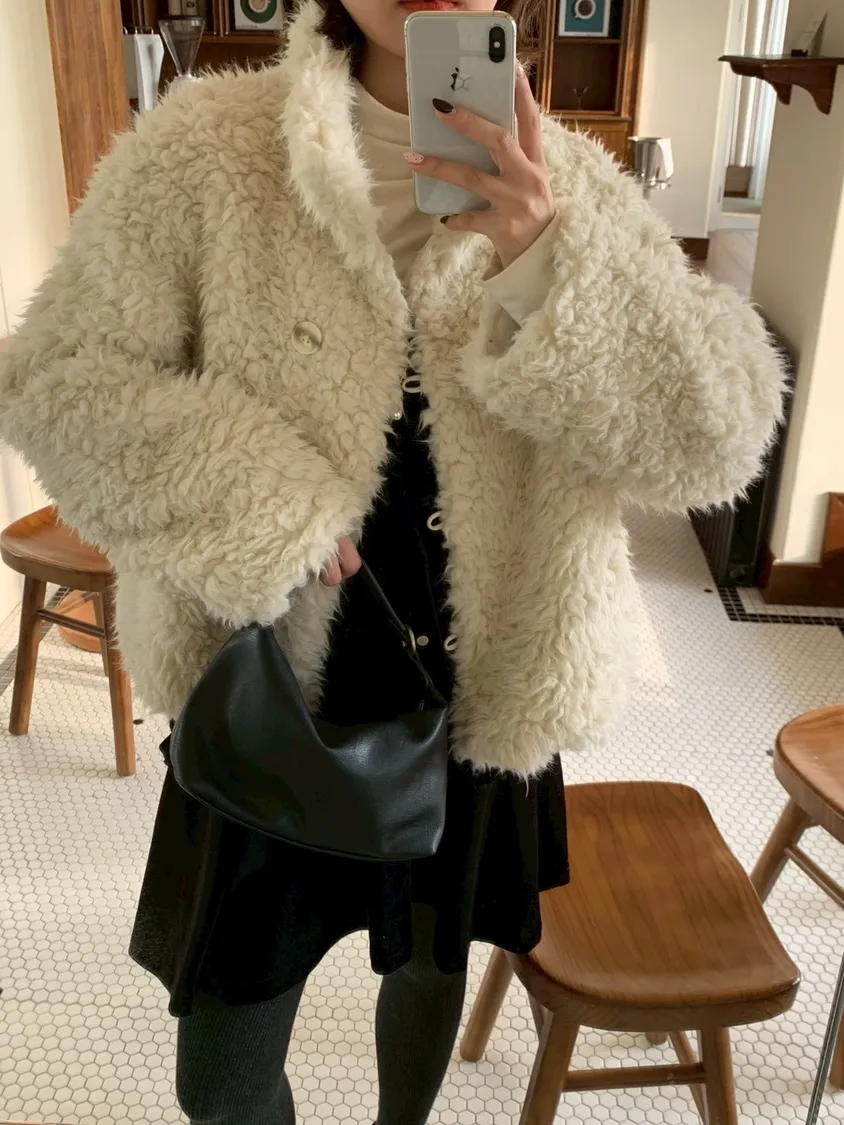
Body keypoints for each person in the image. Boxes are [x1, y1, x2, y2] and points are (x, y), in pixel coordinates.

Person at [0, 0, 785, 1121]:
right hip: (269, 677)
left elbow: (718, 439)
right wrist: (271, 508)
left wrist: (547, 260)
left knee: (425, 965)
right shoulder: (209, 147)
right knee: (220, 1077)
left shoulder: (572, 187)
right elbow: (56, 380)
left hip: (478, 688)